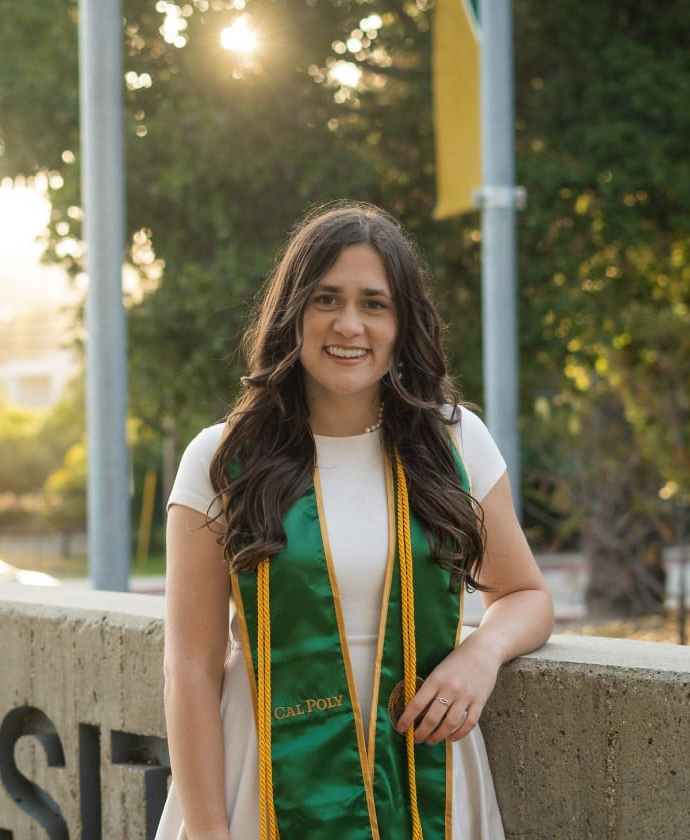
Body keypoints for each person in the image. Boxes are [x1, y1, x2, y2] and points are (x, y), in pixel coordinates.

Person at [157, 201, 554, 840]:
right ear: (293, 314)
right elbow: (192, 668)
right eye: (326, 299)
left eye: (375, 303)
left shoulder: (452, 443)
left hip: (428, 778)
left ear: (403, 322)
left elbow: (525, 594)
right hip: (261, 776)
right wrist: (209, 830)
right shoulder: (224, 459)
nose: (350, 324)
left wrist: (481, 653)